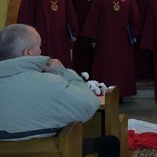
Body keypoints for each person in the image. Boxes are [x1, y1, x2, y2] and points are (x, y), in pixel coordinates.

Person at [0, 24, 119, 157]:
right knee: (110, 142)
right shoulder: (49, 83)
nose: (41, 51)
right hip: (45, 150)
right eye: (39, 47)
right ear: (28, 52)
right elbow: (89, 103)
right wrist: (62, 72)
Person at [82, 0, 141, 98]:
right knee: (106, 66)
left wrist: (135, 35)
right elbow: (94, 18)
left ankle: (122, 93)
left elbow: (134, 18)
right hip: (105, 39)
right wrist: (93, 38)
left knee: (122, 67)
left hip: (124, 39)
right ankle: (105, 94)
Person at [17, 0, 78, 68]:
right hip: (40, 35)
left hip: (60, 36)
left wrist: (73, 32)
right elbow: (25, 17)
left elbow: (70, 14)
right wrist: (26, 36)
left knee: (61, 62)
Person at [68, 0, 103, 74]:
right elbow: (70, 2)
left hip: (95, 21)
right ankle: (78, 74)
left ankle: (95, 74)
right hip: (79, 21)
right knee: (80, 49)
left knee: (95, 49)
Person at [126, 0, 157, 79]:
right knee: (135, 47)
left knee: (148, 46)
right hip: (134, 19)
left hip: (148, 20)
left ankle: (148, 71)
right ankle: (136, 71)